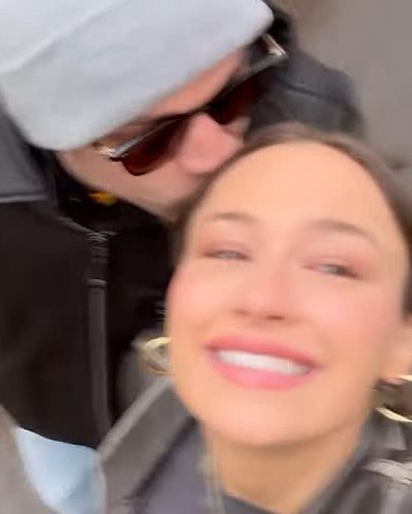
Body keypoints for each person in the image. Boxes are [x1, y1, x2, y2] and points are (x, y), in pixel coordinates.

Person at [0, 0, 362, 512]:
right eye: (151, 141)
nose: (216, 154)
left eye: (234, 95)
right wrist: (6, 378)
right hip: (61, 430)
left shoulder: (311, 116)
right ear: (53, 136)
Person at [111, 123, 412, 513]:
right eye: (227, 252)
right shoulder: (152, 402)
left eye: (334, 268)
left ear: (403, 342)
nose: (262, 299)